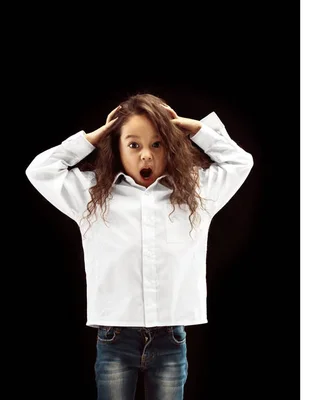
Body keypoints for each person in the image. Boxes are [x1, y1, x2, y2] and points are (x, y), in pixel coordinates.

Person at [25, 93, 254, 399]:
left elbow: (240, 161)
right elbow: (39, 171)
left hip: (171, 338)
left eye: (157, 144)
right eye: (134, 144)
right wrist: (91, 139)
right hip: (114, 339)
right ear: (117, 147)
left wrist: (196, 129)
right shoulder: (91, 195)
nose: (146, 155)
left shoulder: (197, 193)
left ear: (170, 147)